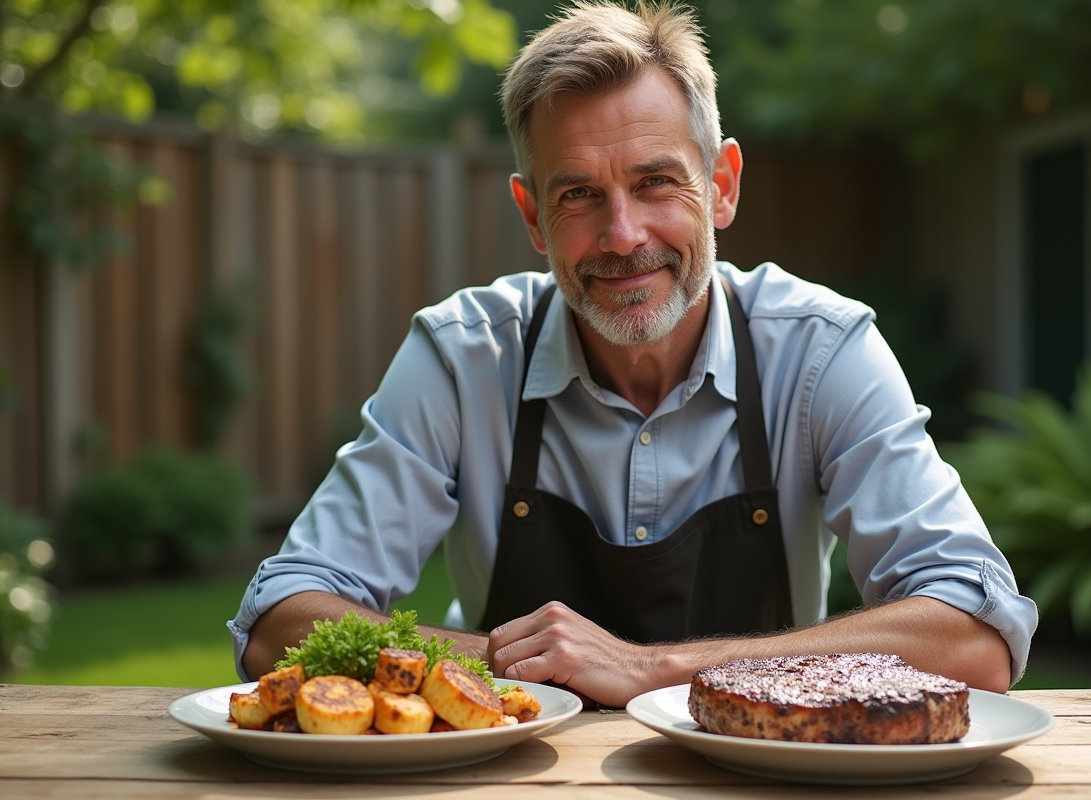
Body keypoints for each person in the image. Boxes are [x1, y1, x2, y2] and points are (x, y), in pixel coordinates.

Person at [231, 0, 1036, 708]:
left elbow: (972, 633)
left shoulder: (820, 352)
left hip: (757, 773)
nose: (623, 237)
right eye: (578, 194)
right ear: (533, 217)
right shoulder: (462, 356)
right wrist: (503, 667)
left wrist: (657, 669)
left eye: (656, 183)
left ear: (721, 184)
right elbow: (283, 618)